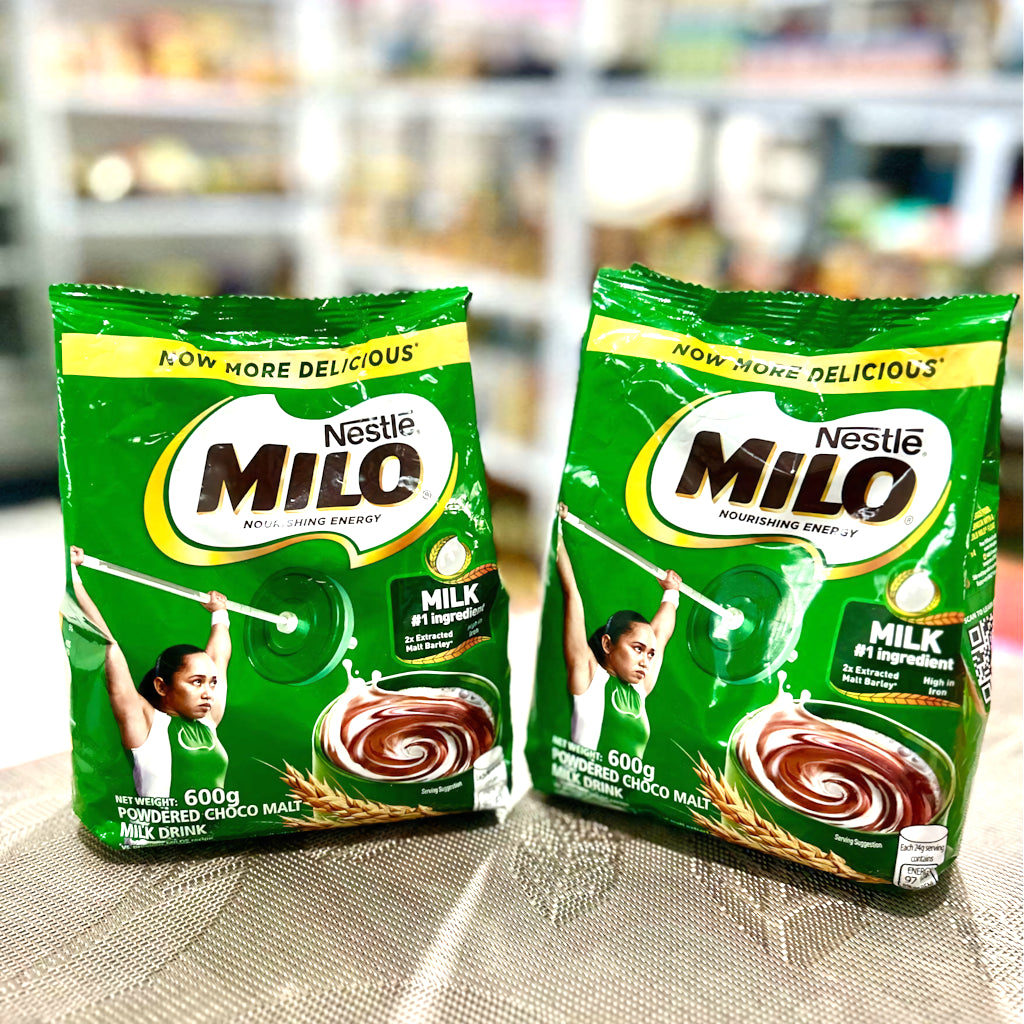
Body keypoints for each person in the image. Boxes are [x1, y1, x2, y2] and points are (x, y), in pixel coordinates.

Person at [69, 546, 231, 800]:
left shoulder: (207, 721)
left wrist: (219, 613)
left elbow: (219, 658)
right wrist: (72, 573)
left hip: (213, 826)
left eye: (211, 683)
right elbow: (107, 645)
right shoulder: (145, 723)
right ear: (161, 686)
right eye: (196, 682)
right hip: (159, 826)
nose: (208, 693)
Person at [555, 506, 682, 759]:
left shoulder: (640, 688)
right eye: (637, 649)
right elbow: (573, 596)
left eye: (650, 653)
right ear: (607, 644)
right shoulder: (588, 676)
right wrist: (555, 529)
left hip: (629, 786)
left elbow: (661, 634)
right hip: (579, 782)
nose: (646, 661)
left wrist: (672, 592)